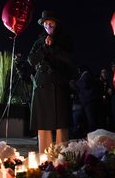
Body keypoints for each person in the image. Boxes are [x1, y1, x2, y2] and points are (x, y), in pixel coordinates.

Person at [27, 10, 74, 153]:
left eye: (51, 23)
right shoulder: (38, 42)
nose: (48, 25)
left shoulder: (65, 40)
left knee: (61, 123)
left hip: (59, 84)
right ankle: (44, 156)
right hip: (42, 85)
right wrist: (44, 48)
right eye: (45, 23)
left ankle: (62, 157)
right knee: (43, 123)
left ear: (56, 24)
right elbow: (31, 60)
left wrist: (53, 47)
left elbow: (69, 60)